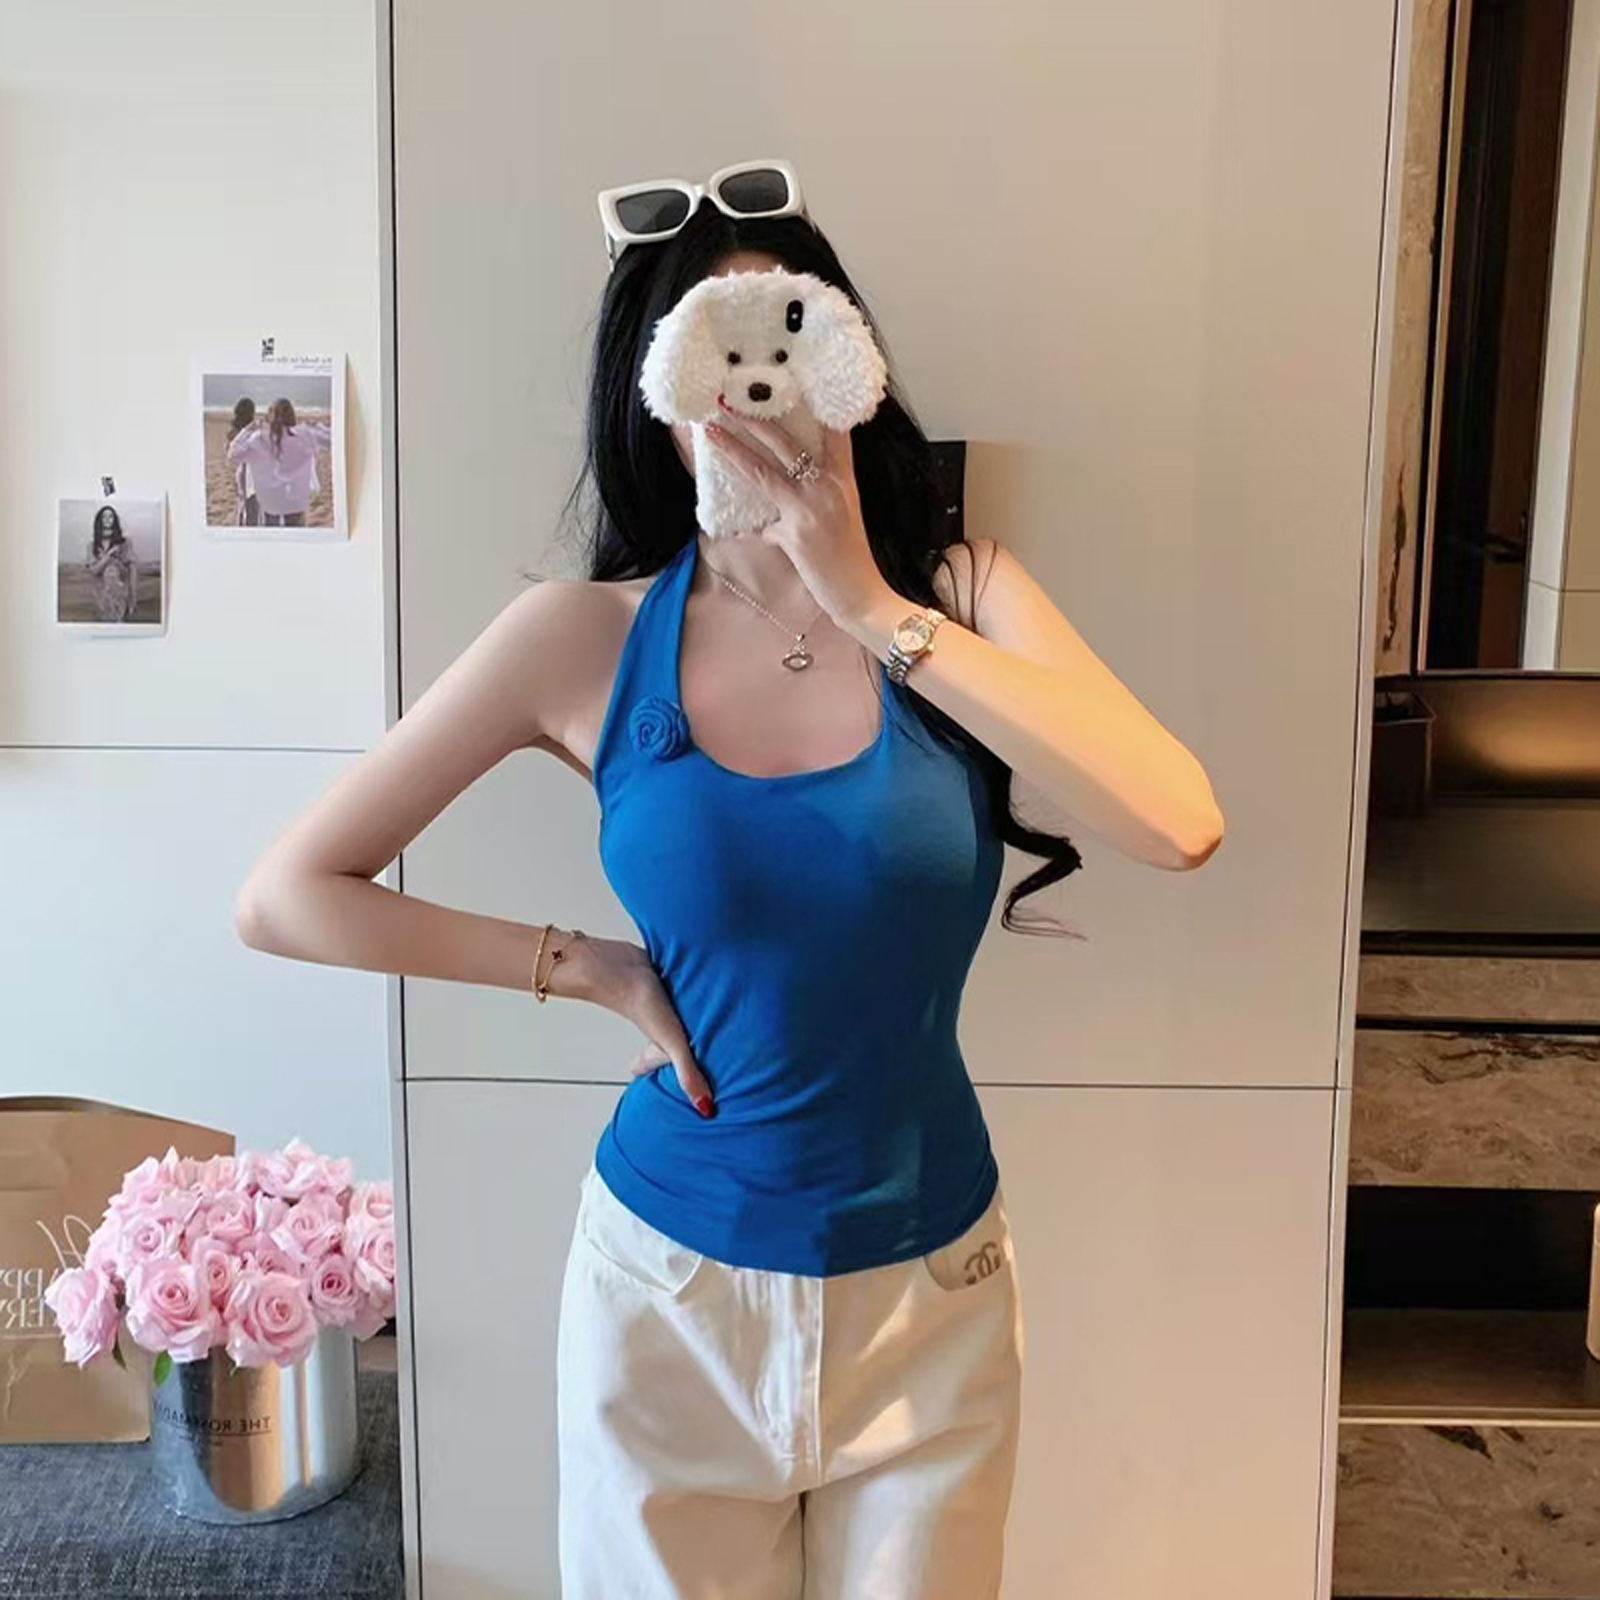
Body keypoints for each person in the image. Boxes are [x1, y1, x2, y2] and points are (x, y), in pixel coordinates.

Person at [234, 158, 1225, 1598]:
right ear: (660, 393)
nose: (759, 389)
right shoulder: (581, 638)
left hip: (931, 1296)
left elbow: (1178, 821)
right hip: (668, 1298)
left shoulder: (963, 597)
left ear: (848, 363)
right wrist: (585, 968)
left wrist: (871, 604)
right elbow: (287, 893)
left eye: (791, 337)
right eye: (717, 353)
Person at [226, 397, 332, 527]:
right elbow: (332, 440)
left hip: (271, 493)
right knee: (296, 527)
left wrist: (247, 430)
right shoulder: (303, 436)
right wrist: (318, 426)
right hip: (295, 492)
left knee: (271, 526)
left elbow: (233, 453)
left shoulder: (260, 438)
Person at [85, 504, 138, 623]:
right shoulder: (92, 546)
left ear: (115, 520)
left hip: (120, 594)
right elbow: (93, 571)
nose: (108, 520)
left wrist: (133, 597)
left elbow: (132, 571)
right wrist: (108, 555)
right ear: (99, 520)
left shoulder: (125, 543)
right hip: (101, 597)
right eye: (104, 517)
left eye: (111, 517)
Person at [226, 397, 261, 525]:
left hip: (241, 469)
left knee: (243, 501)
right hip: (248, 469)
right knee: (249, 503)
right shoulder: (251, 430)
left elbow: (229, 451)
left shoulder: (235, 430)